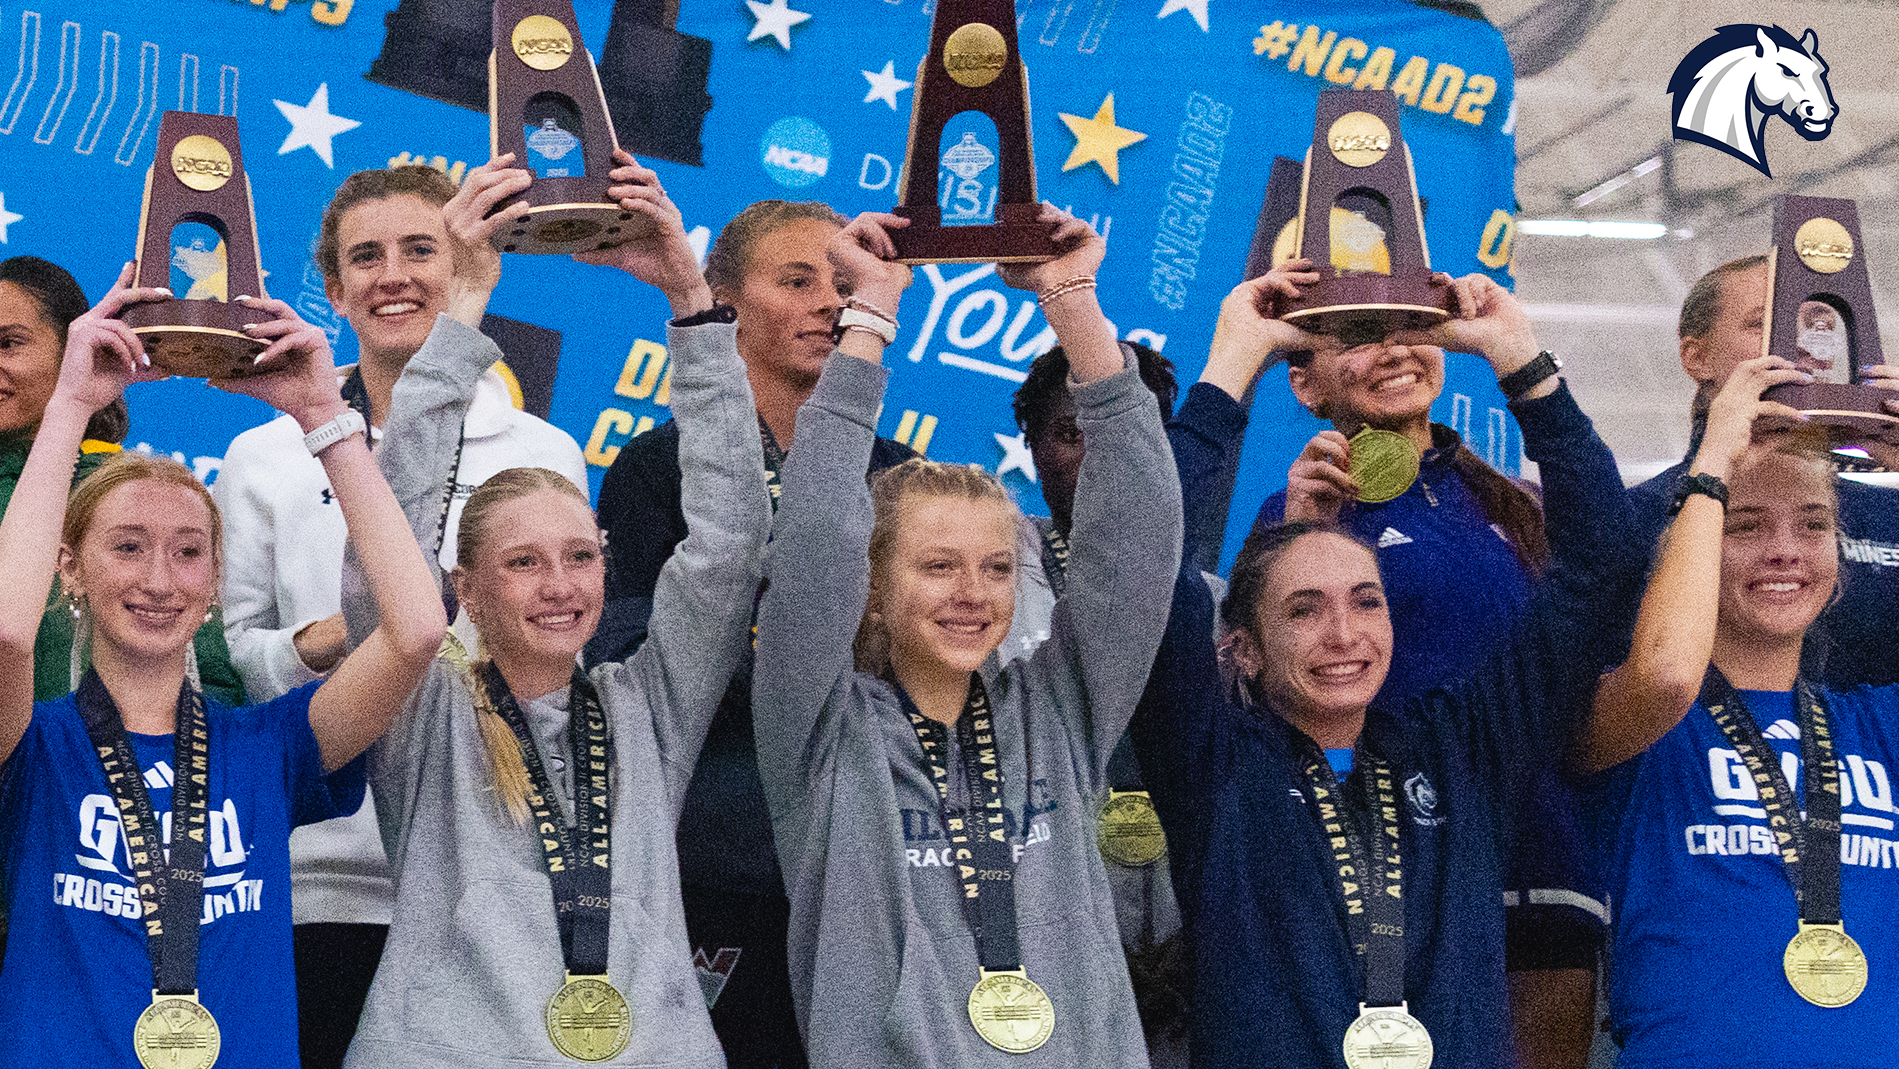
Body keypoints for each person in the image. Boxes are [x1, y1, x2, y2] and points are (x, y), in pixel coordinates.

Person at [1130, 261, 1639, 1069]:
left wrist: (1521, 360)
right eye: (1303, 607)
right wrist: (1231, 365)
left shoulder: (1463, 749)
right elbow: (1145, 573)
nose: (1343, 631)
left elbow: (1603, 560)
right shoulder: (1214, 765)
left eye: (1367, 601)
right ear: (1245, 644)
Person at [336, 154, 770, 1069]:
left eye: (580, 557)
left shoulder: (647, 702)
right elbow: (388, 544)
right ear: (466, 587)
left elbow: (729, 541)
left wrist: (691, 296)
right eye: (522, 563)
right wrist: (459, 314)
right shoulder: (427, 707)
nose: (560, 585)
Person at [752, 206, 1183, 1067]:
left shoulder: (1058, 710)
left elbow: (1135, 531)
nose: (971, 594)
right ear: (872, 588)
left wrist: (1071, 303)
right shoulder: (822, 732)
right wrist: (868, 312)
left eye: (994, 568)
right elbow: (812, 538)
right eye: (936, 566)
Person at [0, 269, 446, 1069]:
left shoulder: (267, 746)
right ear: (72, 569)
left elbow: (415, 629)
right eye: (127, 546)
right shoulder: (33, 746)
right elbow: (5, 635)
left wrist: (323, 415)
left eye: (188, 551)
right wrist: (68, 405)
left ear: (213, 581)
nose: (159, 578)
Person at [212, 161, 587, 1068]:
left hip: (484, 869)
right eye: (365, 258)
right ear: (334, 290)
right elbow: (227, 666)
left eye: (423, 250)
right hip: (309, 875)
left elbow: (559, 660)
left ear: (462, 268)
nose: (394, 276)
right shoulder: (261, 455)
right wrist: (350, 635)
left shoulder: (543, 450)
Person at [590, 199, 915, 1069]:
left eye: (845, 286)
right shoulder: (657, 467)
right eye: (797, 279)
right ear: (725, 302)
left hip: (855, 856)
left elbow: (909, 666)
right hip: (711, 851)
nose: (827, 303)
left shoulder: (894, 478)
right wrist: (805, 659)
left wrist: (784, 644)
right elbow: (637, 649)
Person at [1578, 357, 1895, 1066]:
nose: (1784, 550)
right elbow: (1664, 673)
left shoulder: (1875, 725)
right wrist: (1711, 464)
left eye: (1811, 525)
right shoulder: (1641, 721)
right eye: (1745, 526)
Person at [1007, 343, 1190, 1067]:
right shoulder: (989, 575)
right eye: (1068, 432)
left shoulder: (1206, 603)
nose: (1094, 457)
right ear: (1032, 446)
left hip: (1183, 944)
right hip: (1032, 930)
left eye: (1115, 434)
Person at [1629, 255, 1899, 691]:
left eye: (1814, 325)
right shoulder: (1631, 517)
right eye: (1762, 323)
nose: (1797, 346)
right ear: (1696, 357)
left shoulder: (1886, 515)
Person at [0, 256, 242, 705]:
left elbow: (211, 685)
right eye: (129, 547)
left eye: (8, 343)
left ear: (71, 350)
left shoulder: (134, 496)